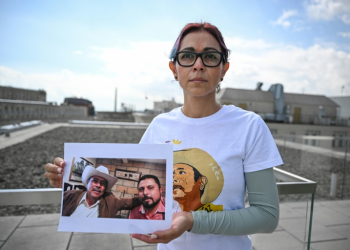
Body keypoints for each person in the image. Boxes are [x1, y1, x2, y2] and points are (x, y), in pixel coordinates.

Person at [45, 22, 283, 250]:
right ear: (174, 68)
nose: (198, 65)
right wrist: (68, 180)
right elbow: (126, 195)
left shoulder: (249, 126)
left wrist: (192, 221)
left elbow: (266, 216)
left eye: (210, 56)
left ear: (224, 69)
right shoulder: (159, 126)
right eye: (187, 56)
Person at [62, 165, 140, 218]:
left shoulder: (111, 202)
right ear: (87, 182)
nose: (98, 185)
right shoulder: (69, 196)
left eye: (103, 183)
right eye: (95, 181)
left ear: (105, 188)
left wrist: (148, 195)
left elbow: (130, 202)